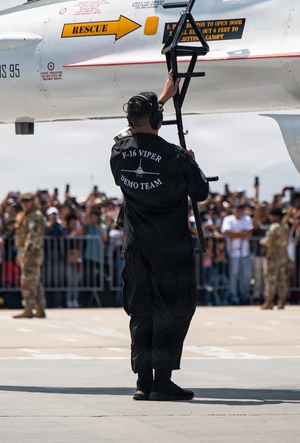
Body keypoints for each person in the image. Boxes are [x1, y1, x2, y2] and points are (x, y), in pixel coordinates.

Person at [111, 71, 210, 401]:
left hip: (137, 248)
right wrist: (192, 163)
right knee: (172, 311)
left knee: (141, 310)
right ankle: (163, 381)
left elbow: (129, 134)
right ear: (157, 119)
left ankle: (143, 381)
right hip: (171, 249)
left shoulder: (119, 153)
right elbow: (201, 192)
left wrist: (161, 100)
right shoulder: (175, 157)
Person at [12, 193, 47, 318]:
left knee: (27, 280)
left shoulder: (34, 216)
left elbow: (32, 236)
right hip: (29, 251)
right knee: (35, 281)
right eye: (23, 201)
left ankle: (28, 308)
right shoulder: (27, 215)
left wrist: (25, 253)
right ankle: (40, 308)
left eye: (28, 201)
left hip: (32, 252)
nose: (25, 204)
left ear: (33, 202)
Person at [259, 207, 289, 309]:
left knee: (271, 280)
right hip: (283, 255)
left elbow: (268, 241)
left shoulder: (273, 227)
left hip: (273, 255)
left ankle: (269, 302)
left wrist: (261, 241)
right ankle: (282, 302)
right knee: (282, 280)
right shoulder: (285, 227)